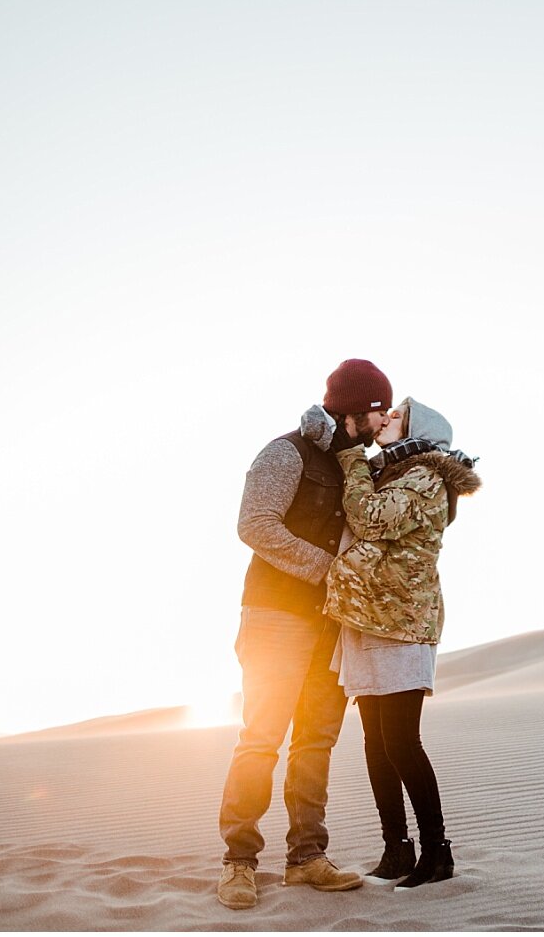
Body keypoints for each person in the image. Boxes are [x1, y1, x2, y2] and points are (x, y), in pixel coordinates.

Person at [216, 359, 394, 911]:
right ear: (353, 411)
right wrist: (327, 568)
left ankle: (306, 859)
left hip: (331, 625)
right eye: (377, 411)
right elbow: (255, 524)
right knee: (262, 738)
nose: (384, 421)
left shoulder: (357, 466)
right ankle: (239, 862)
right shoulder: (286, 451)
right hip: (274, 617)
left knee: (316, 741)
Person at [323, 396, 481, 888]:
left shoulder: (425, 477)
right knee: (376, 743)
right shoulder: (393, 472)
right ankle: (396, 849)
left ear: (420, 431)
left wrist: (350, 458)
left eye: (397, 416)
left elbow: (370, 519)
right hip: (370, 617)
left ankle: (437, 852)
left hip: (402, 623)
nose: (386, 419)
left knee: (402, 743)